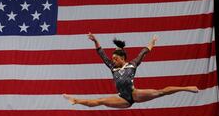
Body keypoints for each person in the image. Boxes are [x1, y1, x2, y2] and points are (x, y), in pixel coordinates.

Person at [63, 32, 199, 108]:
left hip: (134, 94)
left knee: (160, 92)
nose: (113, 60)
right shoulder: (112, 67)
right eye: (113, 59)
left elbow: (144, 52)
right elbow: (101, 53)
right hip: (122, 98)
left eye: (115, 58)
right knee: (101, 101)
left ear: (122, 58)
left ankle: (186, 88)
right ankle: (76, 100)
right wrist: (95, 40)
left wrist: (152, 42)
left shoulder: (132, 65)